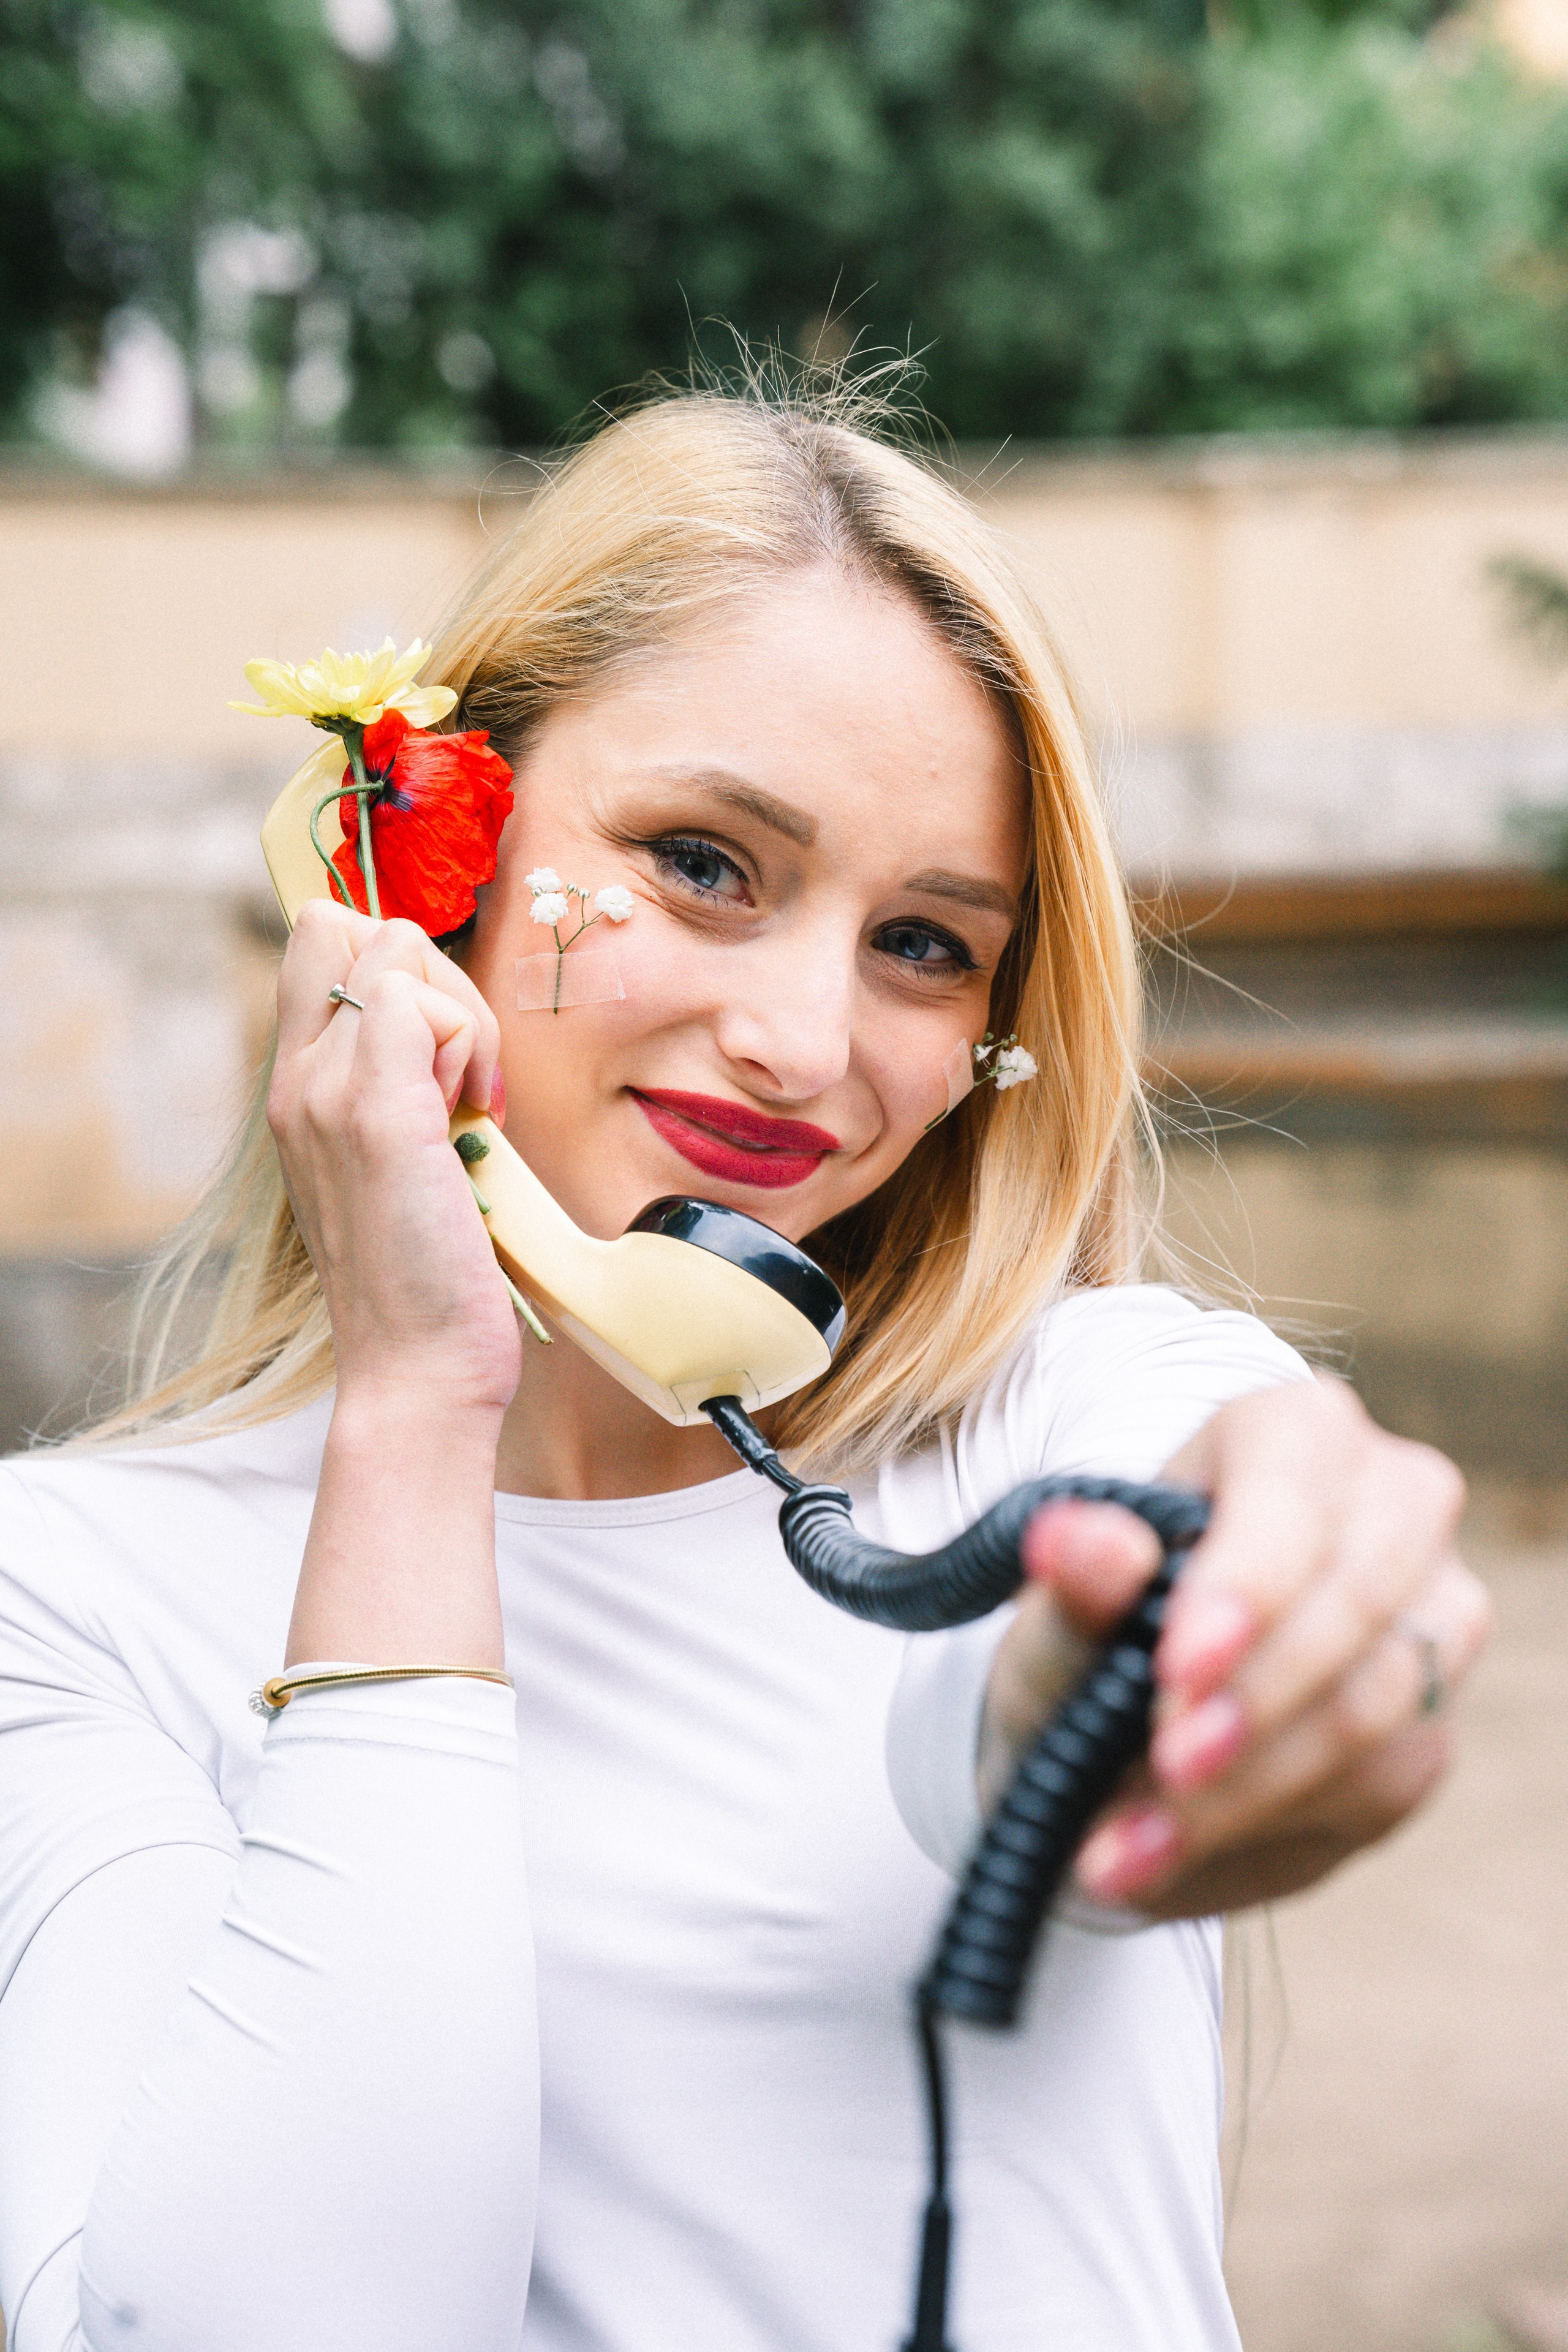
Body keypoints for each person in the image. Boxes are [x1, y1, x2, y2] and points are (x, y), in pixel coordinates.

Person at [0, 383, 1490, 2352]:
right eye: (704, 861)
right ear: (406, 859)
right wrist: (416, 1411)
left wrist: (1257, 1634)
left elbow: (1142, 1563)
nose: (806, 1038)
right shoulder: (69, 1592)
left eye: (929, 947)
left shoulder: (1059, 1412)